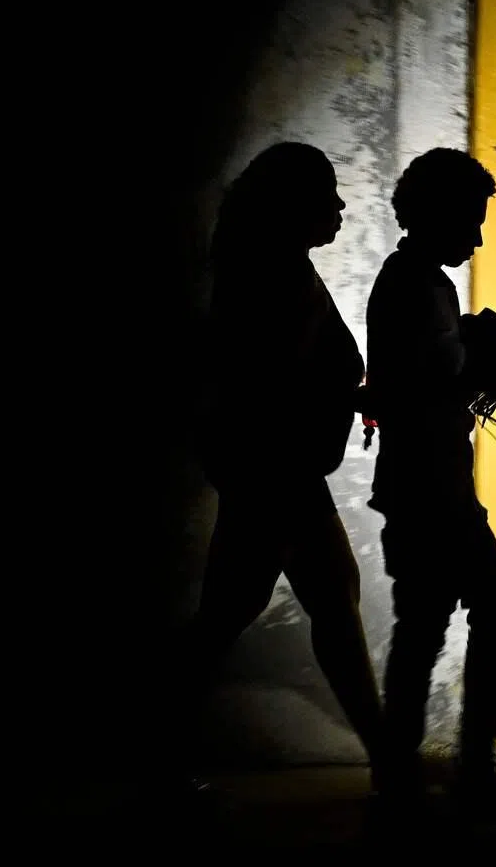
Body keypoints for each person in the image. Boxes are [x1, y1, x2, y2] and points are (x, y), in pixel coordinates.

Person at [179, 141, 384, 786]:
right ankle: (390, 763)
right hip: (277, 470)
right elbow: (275, 384)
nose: (341, 206)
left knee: (233, 611)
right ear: (293, 205)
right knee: (329, 599)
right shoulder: (274, 278)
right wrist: (354, 395)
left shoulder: (274, 267)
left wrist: (350, 395)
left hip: (267, 468)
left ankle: (158, 752)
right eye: (327, 195)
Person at [364, 147, 496, 822]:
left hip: (424, 481)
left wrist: (483, 374)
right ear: (437, 215)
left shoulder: (418, 282)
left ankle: (405, 784)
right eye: (470, 221)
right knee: (489, 611)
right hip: (430, 486)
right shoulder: (415, 287)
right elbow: (430, 382)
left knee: (425, 625)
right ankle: (460, 778)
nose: (477, 239)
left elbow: (428, 382)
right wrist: (491, 371)